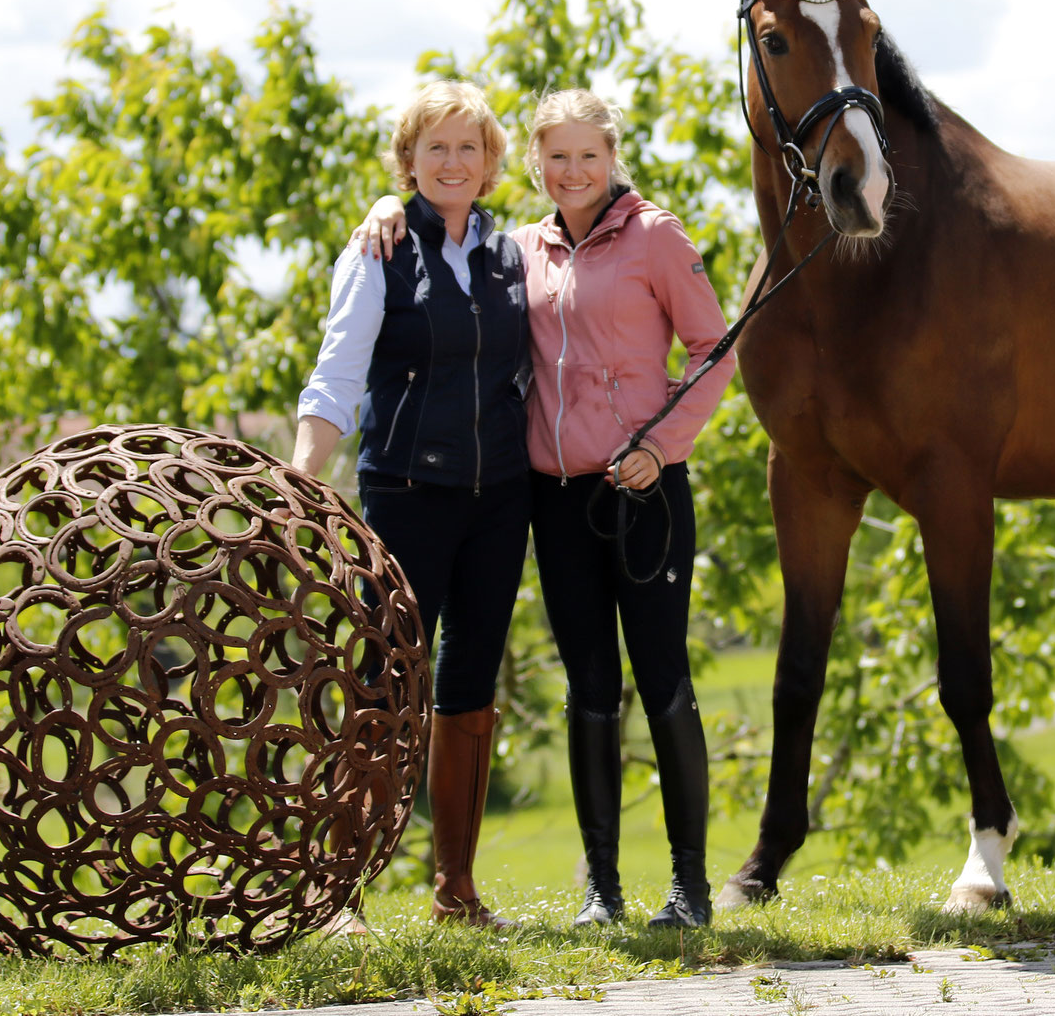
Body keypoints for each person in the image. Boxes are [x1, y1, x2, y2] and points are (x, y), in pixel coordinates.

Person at [358, 88, 735, 928]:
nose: (573, 172)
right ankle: (601, 892)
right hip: (555, 500)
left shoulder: (656, 237)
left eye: (588, 156)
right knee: (589, 684)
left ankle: (690, 889)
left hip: (644, 492)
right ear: (532, 163)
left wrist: (660, 445)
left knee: (662, 674)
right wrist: (388, 205)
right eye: (556, 157)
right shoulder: (518, 251)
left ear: (612, 157)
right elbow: (440, 249)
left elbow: (715, 350)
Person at [294, 80, 531, 928]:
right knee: (382, 685)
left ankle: (456, 893)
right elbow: (338, 374)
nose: (454, 161)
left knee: (468, 689)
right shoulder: (380, 250)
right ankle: (339, 896)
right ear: (408, 162)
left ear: (494, 164)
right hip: (403, 495)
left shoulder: (514, 254)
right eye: (437, 147)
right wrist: (302, 479)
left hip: (501, 499)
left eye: (471, 147)